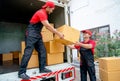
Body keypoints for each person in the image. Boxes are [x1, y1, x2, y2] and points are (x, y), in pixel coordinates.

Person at [18, 1, 64, 80]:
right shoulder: (41, 13)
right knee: (28, 52)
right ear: (48, 7)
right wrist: (59, 33)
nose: (52, 11)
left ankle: (42, 68)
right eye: (52, 9)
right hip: (31, 34)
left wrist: (39, 34)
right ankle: (21, 72)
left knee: (42, 51)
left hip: (37, 35)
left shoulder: (45, 14)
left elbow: (45, 26)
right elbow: (48, 26)